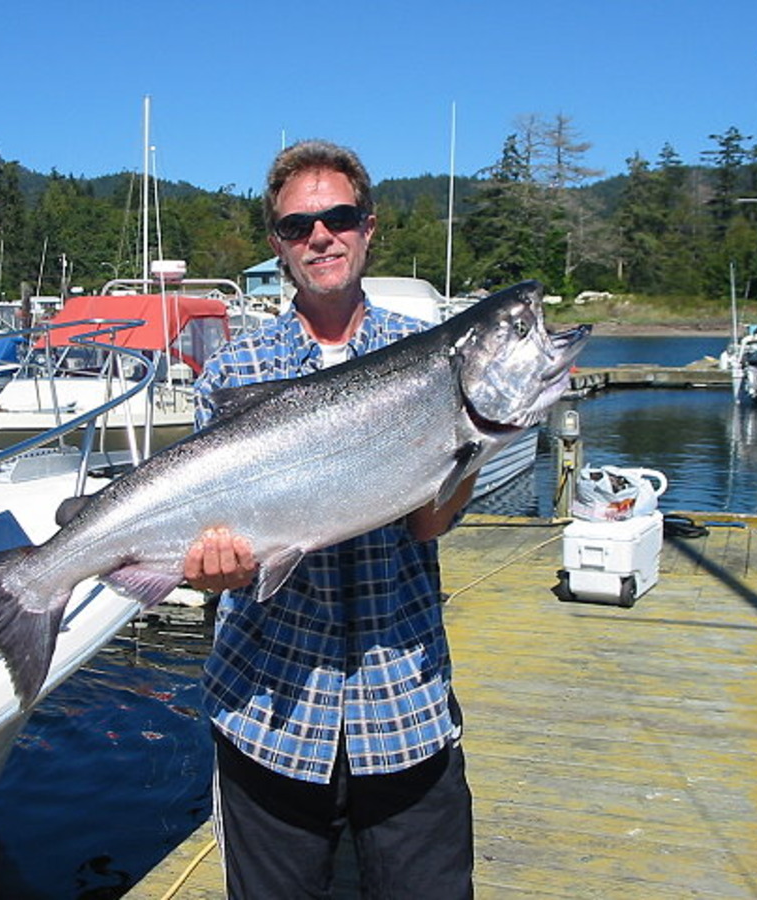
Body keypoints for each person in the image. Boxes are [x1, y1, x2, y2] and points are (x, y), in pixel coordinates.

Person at [182, 139, 475, 899]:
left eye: (338, 217)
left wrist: (473, 442)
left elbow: (428, 525)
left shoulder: (422, 359)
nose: (320, 236)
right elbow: (206, 556)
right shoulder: (232, 372)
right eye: (296, 226)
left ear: (368, 227)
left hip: (404, 705)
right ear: (277, 244)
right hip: (268, 712)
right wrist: (216, 572)